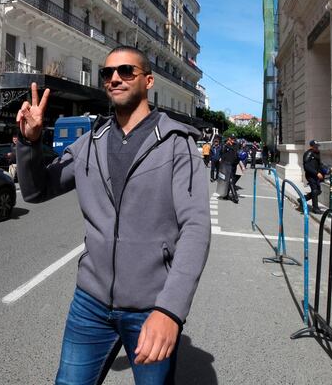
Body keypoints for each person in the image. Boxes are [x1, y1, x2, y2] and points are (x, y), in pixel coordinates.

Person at [16, 45, 211, 384]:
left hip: (152, 305)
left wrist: (170, 310)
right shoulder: (89, 142)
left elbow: (195, 228)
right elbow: (36, 191)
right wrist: (29, 142)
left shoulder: (177, 144)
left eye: (126, 71)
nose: (115, 78)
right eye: (108, 73)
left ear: (148, 80)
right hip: (90, 304)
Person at [297, 140, 325, 214]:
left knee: (318, 191)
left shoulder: (317, 153)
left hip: (317, 175)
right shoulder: (308, 153)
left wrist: (324, 170)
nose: (317, 147)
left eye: (317, 146)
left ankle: (302, 199)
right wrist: (316, 173)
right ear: (311, 146)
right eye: (315, 146)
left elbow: (319, 164)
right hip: (310, 175)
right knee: (315, 190)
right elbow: (306, 166)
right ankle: (315, 209)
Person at [219, 135, 240, 203]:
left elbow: (236, 153)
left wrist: (230, 145)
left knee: (230, 180)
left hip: (233, 165)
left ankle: (230, 196)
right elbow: (222, 152)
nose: (233, 140)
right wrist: (226, 145)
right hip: (226, 164)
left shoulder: (236, 145)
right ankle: (230, 196)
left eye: (234, 139)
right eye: (232, 139)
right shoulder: (225, 145)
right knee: (229, 180)